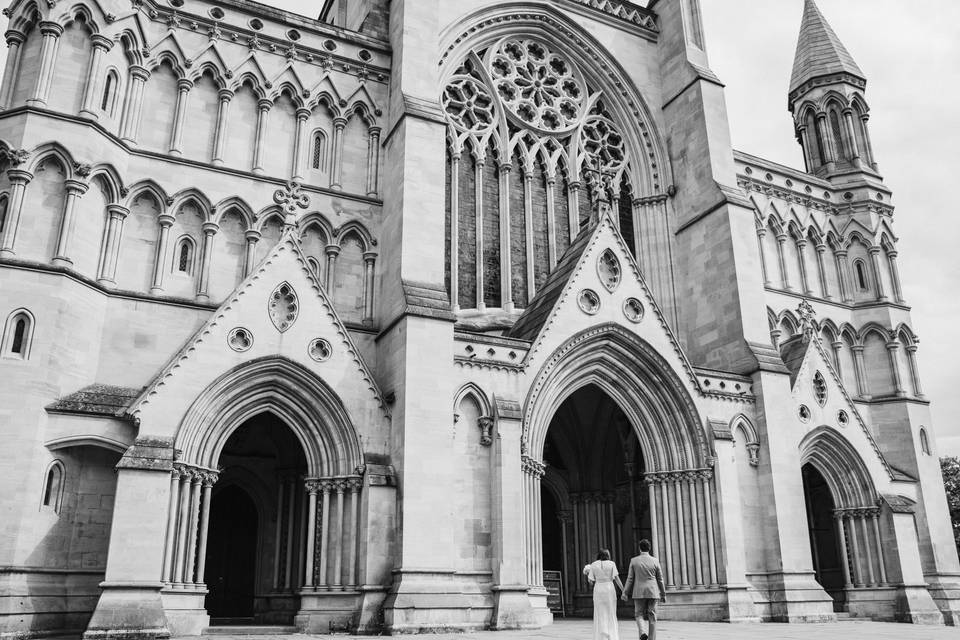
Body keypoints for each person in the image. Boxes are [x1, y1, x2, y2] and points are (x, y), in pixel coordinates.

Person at [621, 539, 665, 640]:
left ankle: (642, 633)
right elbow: (660, 579)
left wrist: (625, 592)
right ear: (649, 548)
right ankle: (651, 639)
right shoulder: (655, 561)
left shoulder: (634, 560)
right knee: (652, 615)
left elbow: (630, 578)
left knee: (639, 614)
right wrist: (663, 594)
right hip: (653, 591)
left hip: (639, 592)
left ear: (639, 548)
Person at [583, 549, 624, 640]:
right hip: (609, 588)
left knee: (600, 612)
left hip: (598, 588)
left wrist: (587, 573)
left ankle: (602, 635)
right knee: (611, 611)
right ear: (608, 555)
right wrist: (623, 590)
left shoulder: (593, 565)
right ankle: (612, 635)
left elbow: (590, 582)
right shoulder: (612, 563)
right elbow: (616, 578)